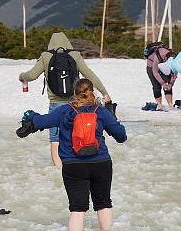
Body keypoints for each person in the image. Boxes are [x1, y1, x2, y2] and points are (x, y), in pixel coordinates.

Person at [16, 78, 127, 231]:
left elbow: (42, 122)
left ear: (74, 93)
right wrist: (113, 120)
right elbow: (121, 136)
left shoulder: (64, 111)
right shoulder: (100, 111)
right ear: (92, 92)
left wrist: (31, 115)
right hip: (101, 164)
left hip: (73, 166)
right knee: (103, 204)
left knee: (77, 209)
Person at [19, 32, 112, 169]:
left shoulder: (46, 56)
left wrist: (22, 76)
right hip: (74, 105)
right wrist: (104, 93)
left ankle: (60, 169)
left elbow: (32, 75)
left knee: (55, 139)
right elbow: (89, 74)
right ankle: (75, 166)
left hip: (55, 105)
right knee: (75, 135)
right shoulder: (74, 55)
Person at [144, 42, 176, 110]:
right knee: (156, 86)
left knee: (168, 85)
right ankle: (159, 105)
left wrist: (171, 83)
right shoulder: (159, 56)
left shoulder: (174, 59)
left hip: (163, 66)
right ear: (166, 58)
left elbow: (174, 72)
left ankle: (170, 104)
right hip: (151, 66)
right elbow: (155, 71)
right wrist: (162, 83)